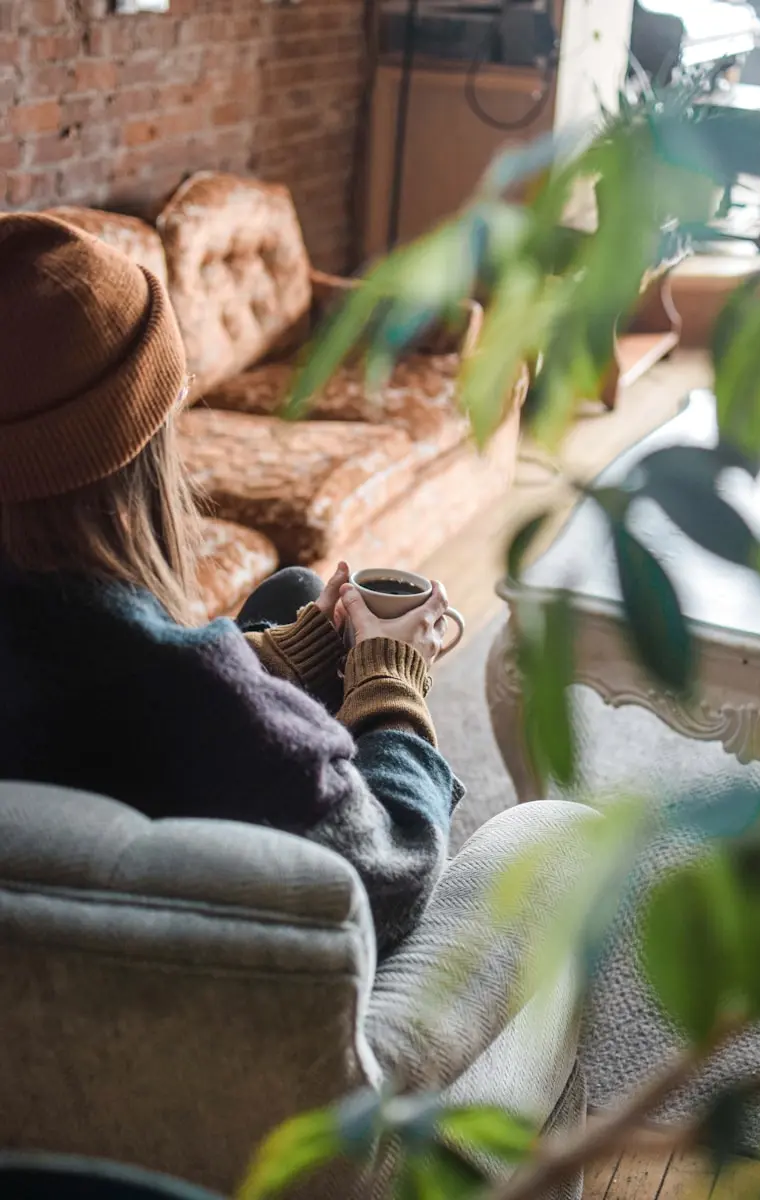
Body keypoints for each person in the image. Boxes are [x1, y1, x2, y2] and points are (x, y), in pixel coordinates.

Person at [0, 213, 463, 954]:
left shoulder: (100, 653)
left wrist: (284, 655)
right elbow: (391, 873)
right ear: (135, 453)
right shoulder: (193, 700)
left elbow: (109, 663)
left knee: (291, 591)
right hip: (218, 1012)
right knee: (552, 839)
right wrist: (391, 683)